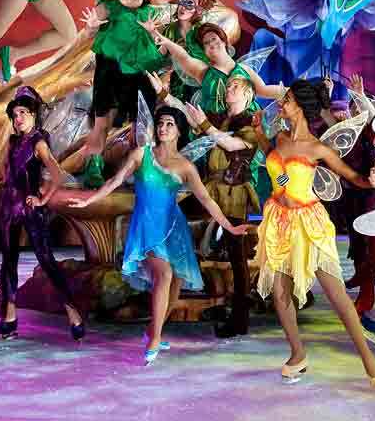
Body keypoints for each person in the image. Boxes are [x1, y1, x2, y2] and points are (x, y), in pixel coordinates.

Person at [68, 105, 248, 365]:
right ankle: (154, 339)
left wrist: (229, 227)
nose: (163, 128)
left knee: (175, 285)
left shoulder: (185, 166)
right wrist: (89, 200)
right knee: (163, 275)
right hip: (147, 229)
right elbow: (115, 181)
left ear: (179, 131)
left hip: (174, 230)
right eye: (161, 123)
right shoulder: (142, 154)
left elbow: (207, 200)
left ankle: (153, 329)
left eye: (169, 124)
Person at [252, 79, 375, 391]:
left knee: (337, 296)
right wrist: (258, 133)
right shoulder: (279, 137)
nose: (281, 104)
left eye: (286, 99)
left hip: (308, 224)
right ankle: (298, 354)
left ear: (299, 105)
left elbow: (352, 177)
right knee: (280, 293)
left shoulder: (317, 148)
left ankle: (369, 361)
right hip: (278, 221)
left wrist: (372, 182)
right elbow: (274, 163)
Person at [0, 86, 83, 341]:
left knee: (46, 259)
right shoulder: (13, 141)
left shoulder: (39, 142)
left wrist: (42, 199)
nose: (18, 118)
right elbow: (7, 172)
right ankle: (9, 314)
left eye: (23, 113)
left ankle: (72, 311)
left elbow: (57, 174)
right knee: (8, 261)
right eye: (15, 115)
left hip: (29, 208)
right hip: (7, 207)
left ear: (33, 114)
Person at [184, 75, 260, 337]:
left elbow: (230, 143)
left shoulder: (249, 124)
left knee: (236, 254)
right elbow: (195, 118)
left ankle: (240, 318)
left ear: (248, 95)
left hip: (233, 192)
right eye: (228, 85)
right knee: (216, 245)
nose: (230, 88)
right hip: (213, 188)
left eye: (236, 86)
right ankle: (220, 304)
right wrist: (163, 93)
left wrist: (204, 124)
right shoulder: (221, 120)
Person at [79, 0, 165, 183]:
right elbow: (89, 33)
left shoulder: (151, 13)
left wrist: (152, 33)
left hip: (141, 72)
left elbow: (161, 45)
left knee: (142, 123)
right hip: (110, 70)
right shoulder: (109, 7)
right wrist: (91, 27)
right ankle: (94, 167)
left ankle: (141, 166)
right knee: (102, 121)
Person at [147, 22, 283, 114]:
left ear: (223, 41)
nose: (212, 43)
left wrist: (290, 92)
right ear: (204, 51)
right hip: (218, 127)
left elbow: (264, 90)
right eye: (206, 43)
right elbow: (183, 56)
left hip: (250, 121)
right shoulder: (203, 71)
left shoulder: (244, 69)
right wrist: (164, 40)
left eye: (214, 38)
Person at [162, 0, 216, 103]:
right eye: (182, 0)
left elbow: (207, 61)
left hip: (198, 81)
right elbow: (163, 58)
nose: (183, 7)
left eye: (190, 4)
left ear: (199, 10)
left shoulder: (203, 31)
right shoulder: (170, 29)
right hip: (175, 80)